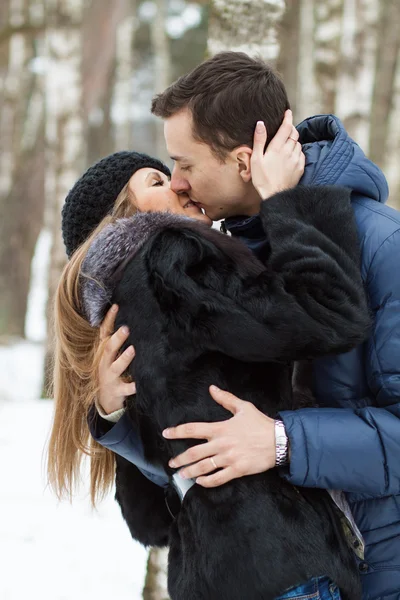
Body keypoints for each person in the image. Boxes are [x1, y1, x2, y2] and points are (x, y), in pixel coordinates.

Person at [91, 52, 400, 600]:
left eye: (183, 164)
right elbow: (187, 474)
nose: (179, 185)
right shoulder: (217, 259)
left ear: (241, 161)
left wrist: (284, 443)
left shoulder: (384, 246)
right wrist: (117, 412)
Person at [52, 141, 369, 598]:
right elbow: (326, 315)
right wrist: (290, 202)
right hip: (279, 560)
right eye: (158, 181)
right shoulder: (171, 254)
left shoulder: (126, 309)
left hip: (210, 577)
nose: (181, 184)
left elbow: (150, 519)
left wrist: (111, 415)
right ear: (122, 218)